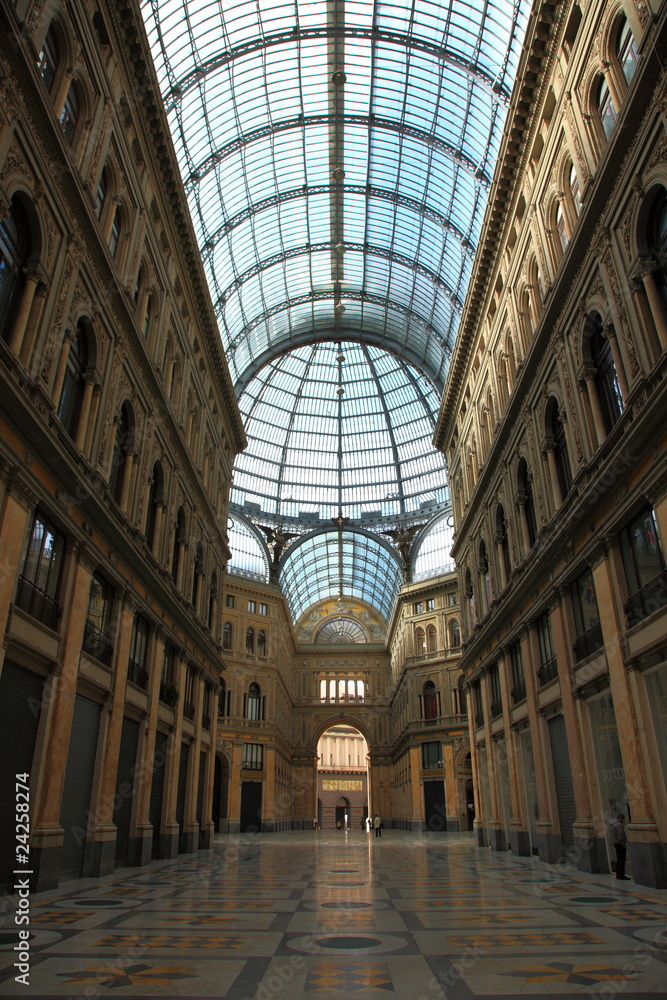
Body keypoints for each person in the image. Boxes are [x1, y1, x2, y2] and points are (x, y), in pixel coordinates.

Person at [610, 813, 630, 880]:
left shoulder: (613, 825)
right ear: (621, 818)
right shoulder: (618, 825)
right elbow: (621, 835)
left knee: (619, 859)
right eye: (623, 818)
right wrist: (623, 842)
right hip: (620, 844)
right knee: (621, 859)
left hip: (616, 843)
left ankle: (618, 874)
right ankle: (621, 875)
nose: (623, 820)